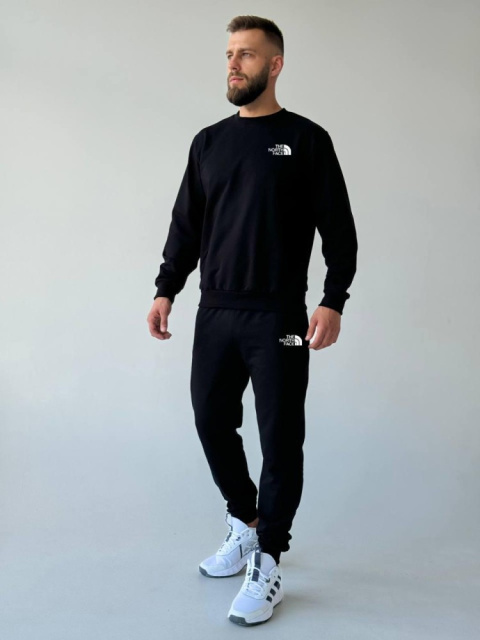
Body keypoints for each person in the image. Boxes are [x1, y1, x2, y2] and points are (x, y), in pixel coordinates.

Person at [147, 14, 358, 627]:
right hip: (216, 310)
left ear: (275, 64)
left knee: (280, 436)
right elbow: (186, 225)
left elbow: (340, 230)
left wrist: (333, 299)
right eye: (229, 55)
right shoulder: (208, 142)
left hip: (279, 316)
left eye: (246, 54)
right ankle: (246, 520)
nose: (234, 64)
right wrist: (166, 289)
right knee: (211, 420)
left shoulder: (306, 140)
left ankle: (268, 560)